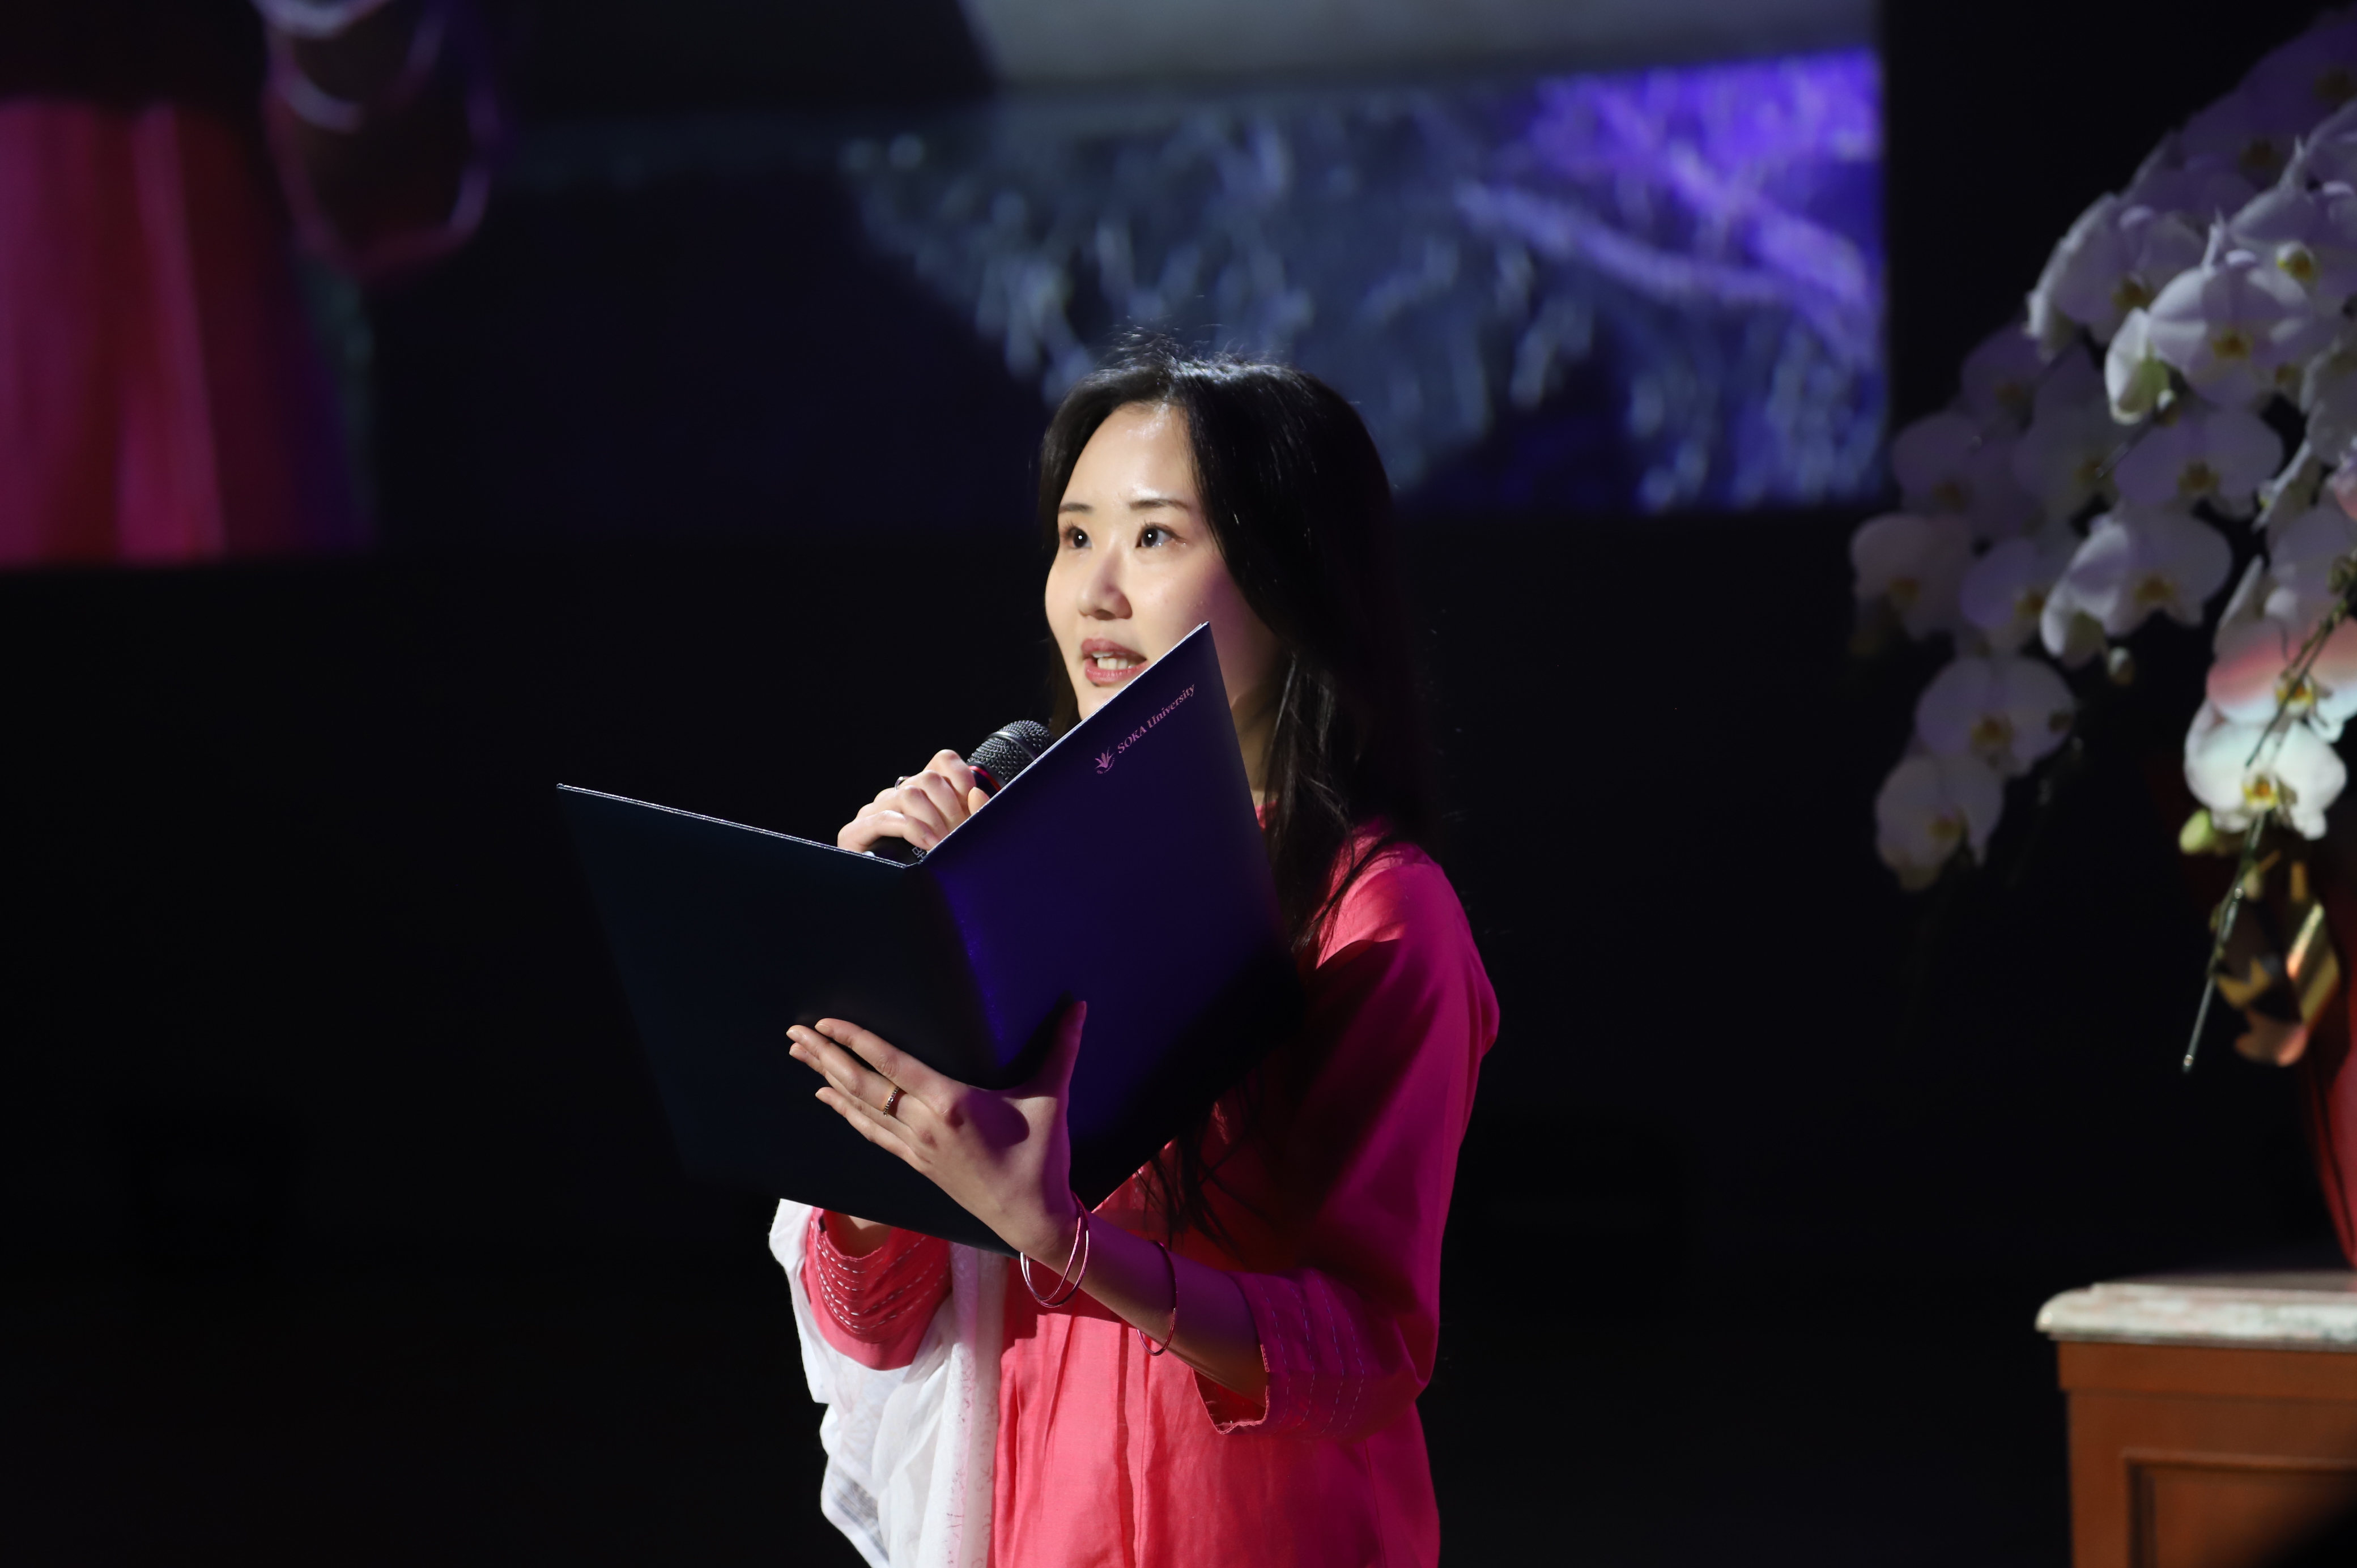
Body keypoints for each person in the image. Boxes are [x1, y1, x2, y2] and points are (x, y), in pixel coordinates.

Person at [777, 338, 1497, 1568]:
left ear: (1290, 574)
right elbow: (878, 1325)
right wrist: (886, 993)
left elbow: (1370, 1348)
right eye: (1075, 537)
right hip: (1037, 1529)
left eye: (1154, 536)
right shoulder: (1017, 885)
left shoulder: (1374, 915)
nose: (1094, 591)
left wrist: (1066, 1241)